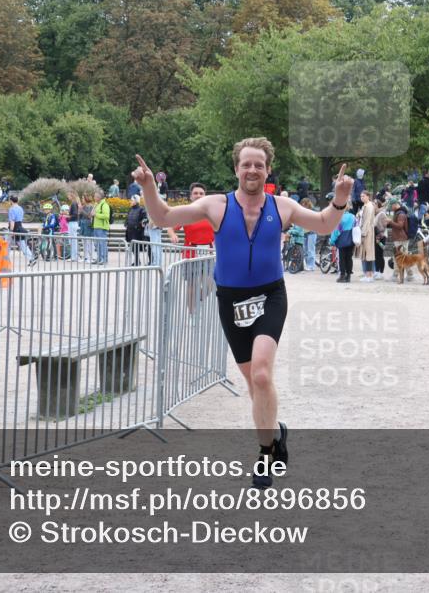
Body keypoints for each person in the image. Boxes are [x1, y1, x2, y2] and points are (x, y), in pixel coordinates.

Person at [132, 137, 354, 489]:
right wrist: (148, 187)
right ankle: (276, 431)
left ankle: (266, 453)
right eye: (246, 164)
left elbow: (325, 224)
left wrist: (340, 198)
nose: (252, 170)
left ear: (268, 170)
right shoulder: (216, 205)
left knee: (263, 375)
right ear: (236, 168)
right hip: (231, 300)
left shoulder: (282, 207)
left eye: (259, 165)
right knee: (254, 383)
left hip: (269, 296)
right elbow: (162, 217)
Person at [171, 183, 215, 260]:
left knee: (208, 272)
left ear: (205, 196)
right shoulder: (185, 213)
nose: (198, 195)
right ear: (191, 197)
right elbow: (170, 228)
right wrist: (172, 235)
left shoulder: (212, 213)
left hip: (209, 254)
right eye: (195, 193)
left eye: (201, 193)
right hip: (190, 255)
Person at [7, 195, 35, 266]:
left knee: (7, 244)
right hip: (20, 226)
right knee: (22, 245)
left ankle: (5, 260)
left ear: (11, 201)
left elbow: (12, 221)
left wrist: (11, 231)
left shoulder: (12, 209)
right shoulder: (20, 208)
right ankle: (31, 258)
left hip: (14, 227)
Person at [330, 207, 356, 283]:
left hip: (342, 240)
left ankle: (342, 275)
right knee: (349, 258)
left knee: (342, 258)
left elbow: (336, 231)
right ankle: (348, 276)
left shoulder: (338, 218)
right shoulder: (352, 216)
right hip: (351, 239)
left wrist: (332, 241)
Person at [357, 190, 376, 282]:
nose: (362, 198)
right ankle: (368, 274)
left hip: (367, 232)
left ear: (368, 196)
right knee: (366, 253)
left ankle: (369, 275)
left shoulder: (369, 206)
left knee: (368, 253)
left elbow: (367, 221)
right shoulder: (364, 206)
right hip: (365, 231)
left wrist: (363, 233)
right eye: (361, 196)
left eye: (363, 196)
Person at [125, 195, 148, 265]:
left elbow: (145, 219)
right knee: (132, 247)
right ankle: (137, 260)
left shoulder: (141, 209)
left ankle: (137, 261)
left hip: (137, 232)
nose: (130, 201)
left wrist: (139, 225)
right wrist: (126, 223)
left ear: (136, 201)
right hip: (130, 231)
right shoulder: (130, 209)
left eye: (132, 200)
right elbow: (128, 218)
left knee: (136, 247)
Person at [92, 191, 111, 264]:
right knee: (97, 244)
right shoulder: (97, 204)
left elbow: (106, 216)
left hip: (102, 227)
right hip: (96, 226)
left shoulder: (104, 205)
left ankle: (104, 259)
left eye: (95, 196)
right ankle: (99, 258)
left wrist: (96, 214)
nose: (94, 197)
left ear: (99, 197)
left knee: (102, 243)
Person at [299, 198, 318, 271]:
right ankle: (307, 265)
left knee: (310, 249)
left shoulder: (313, 211)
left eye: (304, 204)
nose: (303, 206)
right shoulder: (302, 211)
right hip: (304, 232)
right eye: (302, 204)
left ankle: (311, 266)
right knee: (305, 250)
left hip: (312, 232)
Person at [79, 197, 95, 263]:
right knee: (84, 241)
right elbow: (80, 216)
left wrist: (81, 210)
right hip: (83, 224)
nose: (82, 200)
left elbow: (89, 216)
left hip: (88, 224)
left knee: (89, 241)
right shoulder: (83, 206)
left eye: (83, 198)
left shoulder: (90, 206)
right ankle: (85, 257)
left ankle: (91, 257)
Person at [67, 192, 81, 261]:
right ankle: (73, 256)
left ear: (71, 196)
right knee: (72, 240)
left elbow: (75, 214)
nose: (67, 197)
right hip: (72, 223)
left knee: (73, 241)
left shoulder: (73, 203)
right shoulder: (73, 203)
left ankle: (74, 257)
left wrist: (67, 217)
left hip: (73, 223)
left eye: (68, 195)